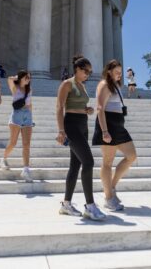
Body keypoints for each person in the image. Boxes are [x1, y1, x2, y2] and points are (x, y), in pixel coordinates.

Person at [55, 55, 106, 221]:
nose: (88, 74)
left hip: (83, 126)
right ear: (77, 69)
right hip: (71, 125)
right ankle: (90, 206)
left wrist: (88, 110)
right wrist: (61, 130)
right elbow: (60, 107)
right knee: (88, 162)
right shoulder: (67, 84)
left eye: (90, 72)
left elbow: (80, 106)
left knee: (75, 165)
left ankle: (66, 204)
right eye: (86, 71)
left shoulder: (82, 86)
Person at [94, 60, 136, 212]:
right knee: (107, 162)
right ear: (109, 71)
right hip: (108, 124)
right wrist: (104, 131)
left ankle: (111, 186)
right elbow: (100, 108)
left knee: (131, 156)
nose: (120, 75)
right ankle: (108, 198)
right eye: (117, 72)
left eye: (120, 72)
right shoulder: (104, 84)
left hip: (118, 124)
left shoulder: (116, 86)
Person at [0, 70, 35, 183]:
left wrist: (31, 118)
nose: (28, 80)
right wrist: (17, 76)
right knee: (13, 142)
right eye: (26, 77)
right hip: (17, 115)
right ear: (21, 78)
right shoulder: (15, 87)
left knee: (26, 144)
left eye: (29, 78)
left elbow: (30, 104)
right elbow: (9, 79)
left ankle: (26, 170)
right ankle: (4, 158)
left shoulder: (29, 90)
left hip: (27, 115)